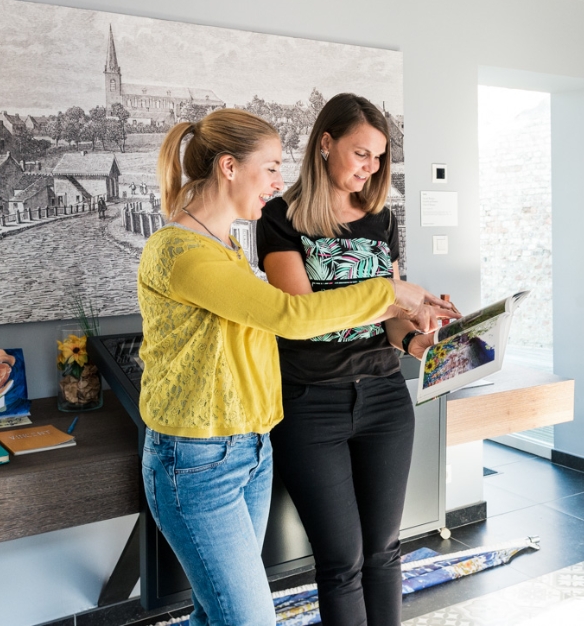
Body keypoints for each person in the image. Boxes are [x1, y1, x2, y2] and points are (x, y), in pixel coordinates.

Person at [136, 108, 455, 626]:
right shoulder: (183, 252)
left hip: (249, 446)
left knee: (218, 614)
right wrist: (389, 291)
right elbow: (292, 317)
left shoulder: (226, 247)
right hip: (200, 456)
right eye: (269, 168)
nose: (276, 181)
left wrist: (411, 328)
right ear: (229, 167)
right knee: (249, 616)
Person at [257, 93, 450, 626]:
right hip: (309, 404)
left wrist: (414, 338)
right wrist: (395, 295)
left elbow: (391, 319)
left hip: (385, 396)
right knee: (342, 562)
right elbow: (303, 316)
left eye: (379, 157)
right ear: (325, 143)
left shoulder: (382, 219)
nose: (371, 167)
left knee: (384, 550)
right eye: (361, 153)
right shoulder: (279, 218)